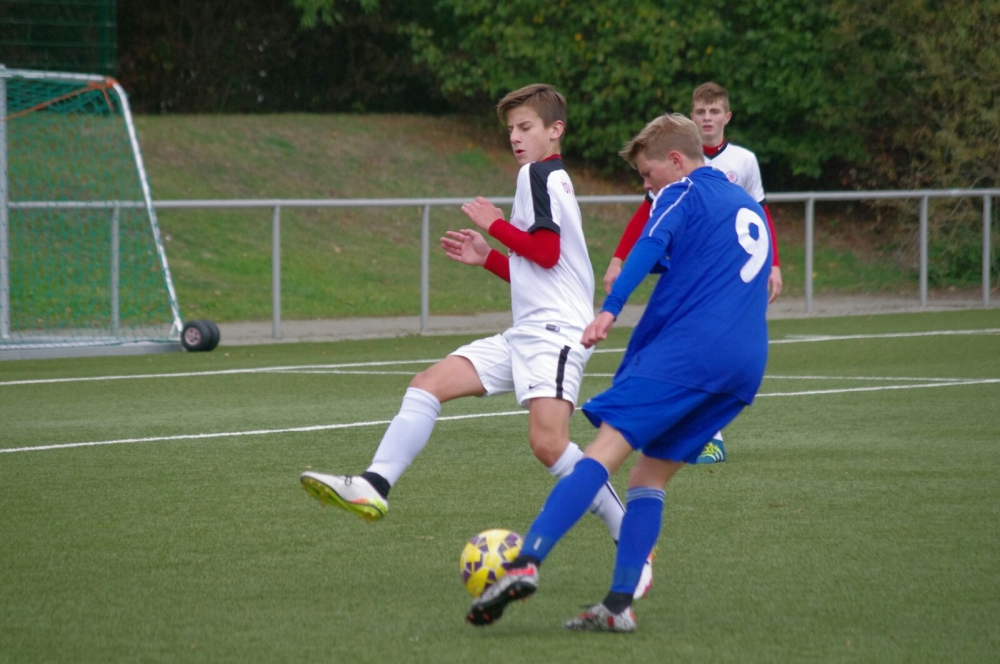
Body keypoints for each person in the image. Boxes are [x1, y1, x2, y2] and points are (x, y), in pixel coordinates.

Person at [299, 83, 654, 598]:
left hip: (554, 333)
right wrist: (488, 256)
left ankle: (632, 539)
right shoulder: (545, 179)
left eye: (525, 126)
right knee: (427, 384)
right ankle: (374, 484)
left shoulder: (538, 175)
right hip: (527, 331)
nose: (515, 136)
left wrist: (495, 225)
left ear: (555, 130)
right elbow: (538, 271)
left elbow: (546, 252)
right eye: (511, 128)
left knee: (549, 443)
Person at [466, 112, 771, 632]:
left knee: (601, 453)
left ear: (675, 160)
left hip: (692, 352)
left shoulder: (682, 190)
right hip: (745, 365)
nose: (647, 187)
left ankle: (525, 562)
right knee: (648, 476)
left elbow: (649, 244)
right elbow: (695, 260)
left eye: (648, 174)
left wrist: (609, 309)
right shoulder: (744, 204)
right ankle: (617, 606)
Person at [602, 81, 782, 465]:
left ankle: (698, 435)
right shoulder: (670, 174)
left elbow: (760, 214)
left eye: (714, 111)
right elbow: (647, 220)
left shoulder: (739, 163)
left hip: (721, 282)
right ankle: (687, 435)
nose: (707, 117)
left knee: (696, 348)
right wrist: (620, 257)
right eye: (701, 111)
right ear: (692, 116)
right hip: (707, 290)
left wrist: (775, 264)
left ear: (727, 117)